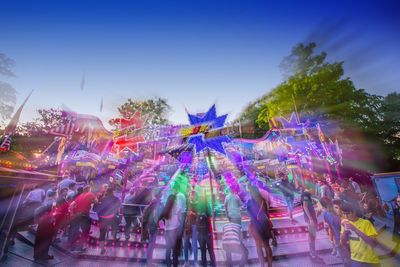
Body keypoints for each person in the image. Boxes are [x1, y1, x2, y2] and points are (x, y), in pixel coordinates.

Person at [340, 202, 380, 266]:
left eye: (348, 213)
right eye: (343, 213)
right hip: (355, 259)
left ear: (354, 211)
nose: (345, 216)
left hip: (369, 260)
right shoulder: (345, 224)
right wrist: (344, 231)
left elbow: (373, 243)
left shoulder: (366, 223)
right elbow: (343, 243)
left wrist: (355, 229)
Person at [247, 185, 272, 267]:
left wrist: (249, 227)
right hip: (265, 225)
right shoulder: (263, 201)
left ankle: (262, 265)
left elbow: (251, 216)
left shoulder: (250, 202)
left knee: (258, 246)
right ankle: (270, 264)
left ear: (251, 192)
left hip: (256, 226)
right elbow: (267, 214)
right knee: (267, 245)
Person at [68, 185, 98, 252]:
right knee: (85, 232)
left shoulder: (80, 196)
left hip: (76, 215)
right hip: (84, 215)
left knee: (75, 230)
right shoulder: (90, 194)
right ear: (89, 189)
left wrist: (72, 213)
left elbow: (71, 205)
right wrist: (91, 201)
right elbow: (96, 201)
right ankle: (80, 248)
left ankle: (72, 247)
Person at [163, 184, 186, 267]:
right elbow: (180, 217)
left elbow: (162, 221)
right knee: (175, 251)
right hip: (175, 230)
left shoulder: (166, 208)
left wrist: (164, 227)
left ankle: (168, 265)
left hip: (167, 231)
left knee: (168, 250)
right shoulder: (176, 205)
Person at [301, 187, 324, 264]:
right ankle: (313, 255)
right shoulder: (306, 194)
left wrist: (316, 215)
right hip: (310, 219)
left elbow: (309, 207)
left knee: (312, 236)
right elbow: (305, 206)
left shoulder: (308, 195)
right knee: (312, 237)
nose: (313, 190)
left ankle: (313, 254)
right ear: (308, 188)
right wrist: (310, 218)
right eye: (312, 189)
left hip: (312, 218)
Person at [95, 187, 120, 254]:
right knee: (116, 225)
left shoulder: (103, 199)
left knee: (102, 233)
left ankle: (102, 249)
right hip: (111, 217)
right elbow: (118, 208)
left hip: (102, 217)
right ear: (112, 192)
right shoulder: (116, 199)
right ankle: (114, 236)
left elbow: (98, 207)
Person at [142, 191, 162, 267]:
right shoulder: (156, 203)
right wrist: (158, 224)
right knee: (151, 245)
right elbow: (155, 216)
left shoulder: (152, 203)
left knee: (151, 244)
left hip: (150, 226)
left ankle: (149, 262)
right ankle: (149, 263)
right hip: (153, 226)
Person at [196, 190, 216, 267]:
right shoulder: (207, 205)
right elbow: (210, 215)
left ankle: (204, 265)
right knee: (211, 251)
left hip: (200, 233)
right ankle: (213, 265)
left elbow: (196, 218)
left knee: (203, 252)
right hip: (208, 232)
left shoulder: (198, 205)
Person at [183, 190, 198, 267]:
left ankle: (195, 262)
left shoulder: (197, 203)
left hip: (194, 224)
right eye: (190, 194)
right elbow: (183, 212)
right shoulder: (187, 202)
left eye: (192, 194)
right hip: (187, 224)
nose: (191, 196)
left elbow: (199, 214)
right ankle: (186, 261)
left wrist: (193, 213)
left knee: (195, 243)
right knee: (185, 243)